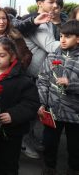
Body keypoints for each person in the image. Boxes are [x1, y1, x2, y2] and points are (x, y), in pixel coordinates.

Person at [0, 37, 40, 175]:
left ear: (12, 57)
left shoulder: (22, 80)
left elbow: (31, 103)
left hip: (12, 131)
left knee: (9, 162)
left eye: (2, 55)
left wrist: (14, 114)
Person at [37, 20, 79, 175]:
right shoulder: (52, 56)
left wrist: (71, 84)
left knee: (75, 145)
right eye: (61, 35)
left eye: (67, 36)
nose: (62, 39)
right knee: (49, 142)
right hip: (53, 109)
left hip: (75, 113)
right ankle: (49, 167)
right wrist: (43, 103)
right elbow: (42, 79)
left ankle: (74, 168)